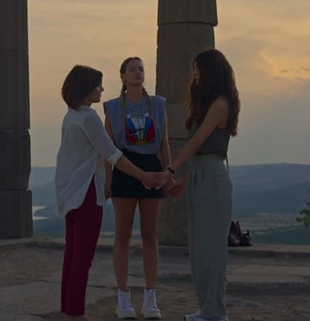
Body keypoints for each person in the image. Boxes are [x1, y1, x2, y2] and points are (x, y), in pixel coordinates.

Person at [55, 65, 167, 321]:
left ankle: (68, 308)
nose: (102, 89)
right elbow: (113, 154)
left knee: (71, 256)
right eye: (98, 85)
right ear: (86, 88)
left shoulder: (70, 116)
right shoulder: (88, 117)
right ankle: (75, 314)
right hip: (86, 192)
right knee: (82, 257)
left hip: (71, 193)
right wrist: (144, 176)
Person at [163, 49, 241, 321]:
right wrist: (184, 181)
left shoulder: (220, 104)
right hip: (199, 174)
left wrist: (171, 168)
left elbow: (196, 144)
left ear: (210, 71)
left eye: (197, 69)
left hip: (213, 177)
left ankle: (216, 312)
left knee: (213, 249)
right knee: (198, 249)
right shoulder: (205, 104)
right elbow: (197, 152)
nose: (194, 75)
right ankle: (206, 309)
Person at [102, 56, 172, 319]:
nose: (137, 72)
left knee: (150, 235)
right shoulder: (111, 107)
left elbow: (163, 143)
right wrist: (108, 180)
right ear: (122, 75)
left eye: (141, 69)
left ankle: (150, 296)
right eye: (132, 69)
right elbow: (108, 149)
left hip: (152, 169)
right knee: (122, 236)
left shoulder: (157, 104)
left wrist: (169, 173)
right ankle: (122, 297)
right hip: (124, 167)